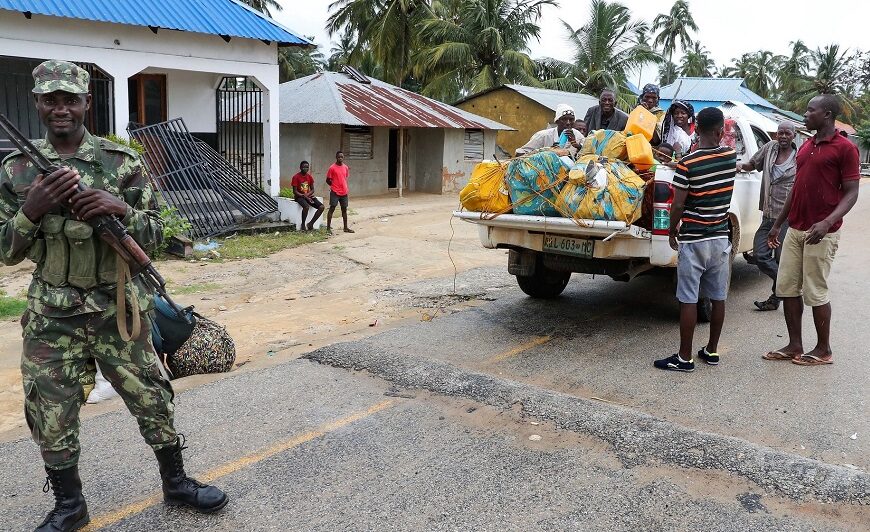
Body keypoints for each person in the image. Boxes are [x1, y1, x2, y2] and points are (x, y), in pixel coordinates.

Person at [0, 60, 227, 531]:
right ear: (38, 104)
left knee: (151, 396)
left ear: (86, 102)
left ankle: (176, 481)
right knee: (51, 410)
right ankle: (69, 506)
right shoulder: (17, 169)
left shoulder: (121, 163)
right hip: (53, 313)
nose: (60, 108)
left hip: (116, 307)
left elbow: (162, 235)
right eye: (50, 99)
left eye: (70, 99)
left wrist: (119, 207)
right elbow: (5, 250)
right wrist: (31, 210)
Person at [763, 94, 860, 366]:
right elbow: (797, 188)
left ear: (826, 114)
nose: (805, 115)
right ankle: (795, 345)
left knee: (815, 290)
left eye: (810, 111)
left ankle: (823, 349)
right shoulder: (806, 146)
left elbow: (852, 193)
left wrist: (828, 221)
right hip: (796, 228)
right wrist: (779, 223)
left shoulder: (845, 148)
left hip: (822, 231)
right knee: (787, 288)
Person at [654, 107, 736, 373]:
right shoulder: (730, 156)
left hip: (693, 238)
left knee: (688, 298)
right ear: (720, 130)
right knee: (718, 297)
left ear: (695, 129)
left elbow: (677, 205)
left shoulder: (687, 164)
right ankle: (711, 351)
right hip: (720, 239)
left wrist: (670, 230)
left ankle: (685, 358)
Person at [737, 123, 797, 311]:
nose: (783, 136)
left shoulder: (800, 157)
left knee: (781, 260)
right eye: (780, 133)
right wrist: (737, 166)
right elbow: (752, 164)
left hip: (788, 217)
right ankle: (787, 285)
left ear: (794, 136)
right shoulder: (769, 148)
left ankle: (775, 299)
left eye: (787, 133)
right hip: (768, 214)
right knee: (760, 255)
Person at [515, 104, 584, 156]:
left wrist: (577, 145)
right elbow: (520, 153)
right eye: (564, 119)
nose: (568, 123)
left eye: (571, 120)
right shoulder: (543, 135)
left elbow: (588, 154)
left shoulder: (578, 136)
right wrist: (547, 152)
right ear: (557, 121)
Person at [326, 150, 354, 234]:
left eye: (342, 157)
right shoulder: (332, 168)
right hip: (335, 191)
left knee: (344, 210)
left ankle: (345, 228)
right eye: (339, 157)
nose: (340, 158)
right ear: (336, 157)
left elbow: (344, 178)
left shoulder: (345, 167)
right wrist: (334, 185)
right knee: (332, 208)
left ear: (343, 157)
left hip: (344, 192)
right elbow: (327, 180)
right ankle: (328, 228)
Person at [290, 160, 323, 231]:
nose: (306, 169)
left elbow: (312, 189)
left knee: (321, 207)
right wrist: (303, 196)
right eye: (304, 167)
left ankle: (310, 224)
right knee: (306, 207)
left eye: (307, 167)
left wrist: (307, 195)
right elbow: (294, 191)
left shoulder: (309, 177)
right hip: (299, 197)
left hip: (307, 196)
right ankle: (303, 224)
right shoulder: (296, 177)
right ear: (300, 167)